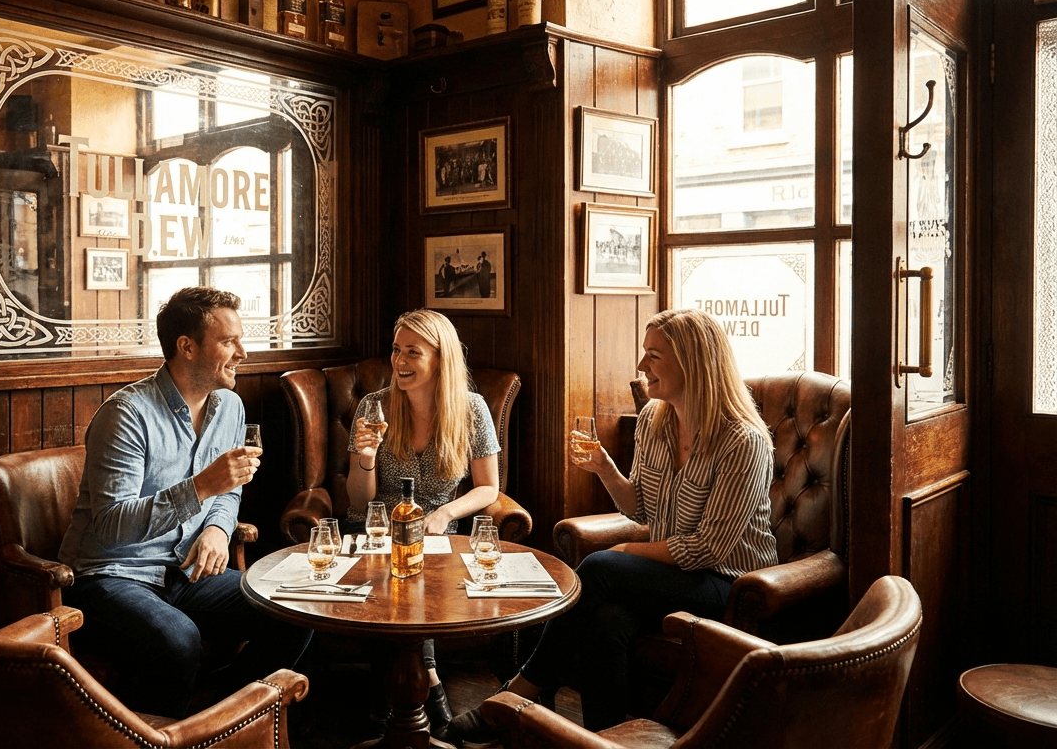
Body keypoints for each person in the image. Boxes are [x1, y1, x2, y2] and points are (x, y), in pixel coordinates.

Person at [445, 307, 777, 741]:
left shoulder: (743, 442)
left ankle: (520, 690)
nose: (640, 365)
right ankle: (606, 738)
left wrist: (623, 553)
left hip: (728, 584)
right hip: (669, 575)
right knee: (608, 620)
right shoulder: (654, 422)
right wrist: (605, 469)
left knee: (602, 566)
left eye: (654, 356)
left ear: (692, 363)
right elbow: (640, 509)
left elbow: (707, 549)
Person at [58, 286, 312, 718]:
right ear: (187, 347)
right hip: (110, 575)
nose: (242, 353)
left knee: (294, 609)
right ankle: (155, 739)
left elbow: (229, 489)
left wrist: (216, 529)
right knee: (177, 639)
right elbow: (111, 526)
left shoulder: (230, 407)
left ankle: (220, 720)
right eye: (229, 342)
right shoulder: (126, 414)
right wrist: (200, 487)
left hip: (185, 571)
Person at [347, 308, 502, 736]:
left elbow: (489, 488)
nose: (399, 361)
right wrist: (366, 457)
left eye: (413, 352)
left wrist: (445, 513)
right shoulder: (374, 406)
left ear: (440, 358)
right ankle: (432, 694)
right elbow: (358, 501)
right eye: (396, 350)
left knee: (412, 581)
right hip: (374, 531)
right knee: (394, 580)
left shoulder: (471, 410)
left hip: (435, 534)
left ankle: (390, 708)